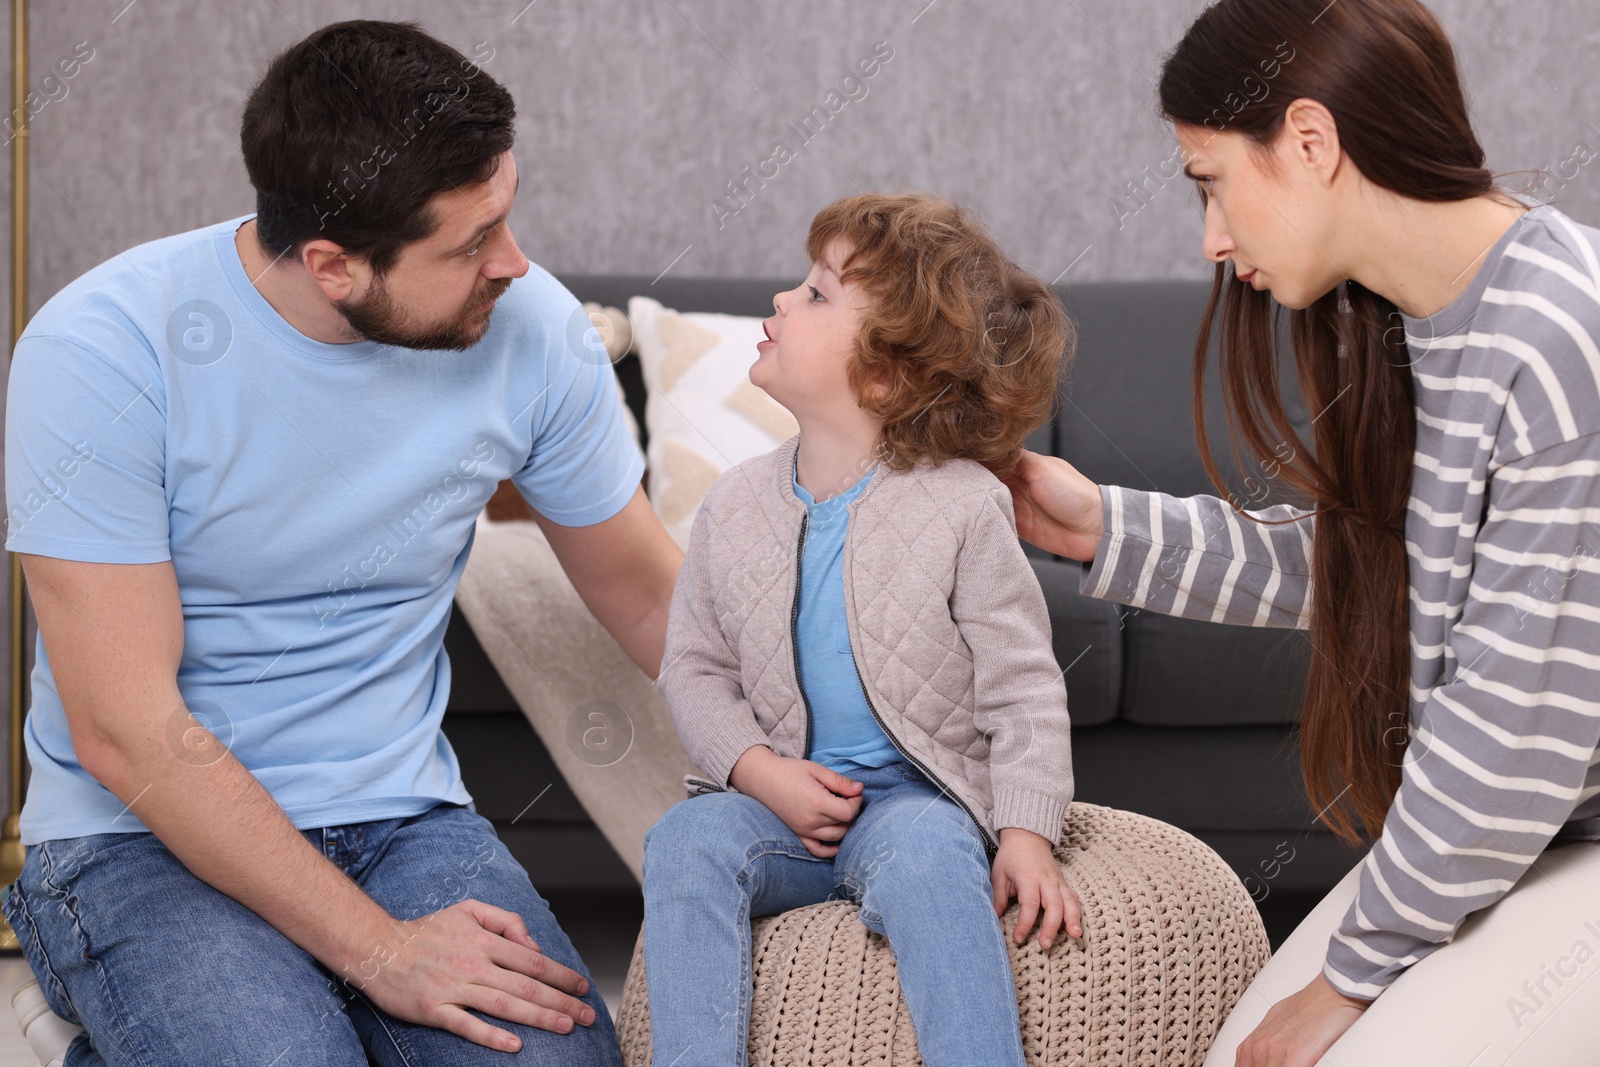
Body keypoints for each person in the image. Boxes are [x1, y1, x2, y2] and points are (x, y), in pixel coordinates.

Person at [2, 19, 682, 1066]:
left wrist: (882, 754)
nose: (516, 262)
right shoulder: (103, 350)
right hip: (136, 835)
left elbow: (651, 598)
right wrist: (379, 949)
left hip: (398, 819)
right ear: (333, 265)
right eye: (468, 246)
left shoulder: (532, 327)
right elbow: (128, 732)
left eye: (505, 214)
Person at [1005, 0, 1600, 1064]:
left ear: (1312, 142)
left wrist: (1353, 971)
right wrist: (1100, 525)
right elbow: (1374, 571)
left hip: (1553, 816)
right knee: (1247, 1047)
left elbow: (1510, 727)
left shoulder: (1556, 337)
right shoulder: (1421, 318)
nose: (1211, 238)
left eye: (1212, 182)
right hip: (1539, 827)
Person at [641, 193, 1080, 1067]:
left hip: (915, 803)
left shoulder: (964, 503)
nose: (780, 303)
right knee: (682, 841)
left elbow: (1023, 682)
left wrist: (1027, 830)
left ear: (886, 374)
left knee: (928, 856)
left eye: (815, 295)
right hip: (779, 811)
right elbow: (692, 667)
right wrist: (761, 774)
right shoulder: (733, 505)